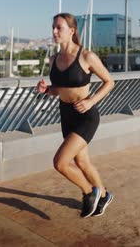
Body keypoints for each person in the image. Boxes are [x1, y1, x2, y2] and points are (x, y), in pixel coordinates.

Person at [37, 12, 115, 218]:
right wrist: (47, 90)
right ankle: (105, 196)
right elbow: (59, 89)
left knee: (60, 162)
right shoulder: (53, 59)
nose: (54, 31)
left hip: (86, 115)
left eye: (59, 27)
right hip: (66, 115)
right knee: (82, 163)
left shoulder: (87, 56)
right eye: (53, 27)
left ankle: (90, 192)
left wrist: (91, 100)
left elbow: (109, 82)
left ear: (71, 31)